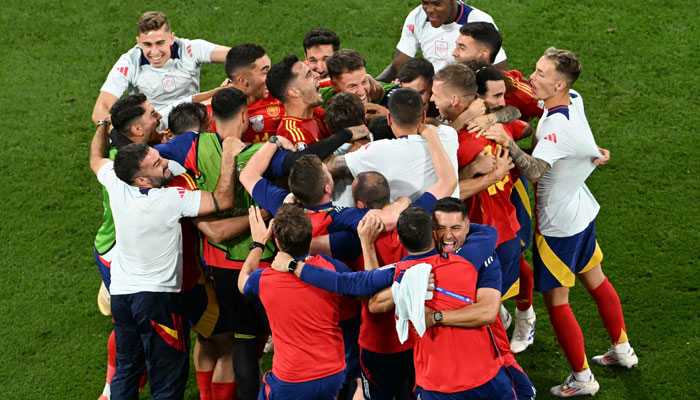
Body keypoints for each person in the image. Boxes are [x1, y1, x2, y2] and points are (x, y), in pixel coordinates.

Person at [483, 47, 635, 397]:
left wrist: (508, 142)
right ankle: (622, 350)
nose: (532, 78)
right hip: (581, 209)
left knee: (557, 302)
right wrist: (594, 152)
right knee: (596, 279)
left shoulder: (553, 129)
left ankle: (582, 379)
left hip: (557, 225)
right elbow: (575, 138)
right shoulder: (573, 100)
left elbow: (535, 171)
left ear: (559, 83)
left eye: (540, 73)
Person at [88, 112, 243, 399]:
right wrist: (229, 157)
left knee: (127, 370)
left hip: (122, 297)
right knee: (167, 379)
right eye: (156, 164)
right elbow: (223, 200)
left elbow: (96, 160)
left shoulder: (116, 180)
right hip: (157, 302)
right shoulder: (167, 200)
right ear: (143, 180)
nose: (165, 163)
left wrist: (101, 125)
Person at [430, 63, 523, 312]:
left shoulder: (454, 146)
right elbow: (521, 122)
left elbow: (436, 190)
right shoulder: (501, 128)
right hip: (508, 231)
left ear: (455, 99)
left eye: (435, 95)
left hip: (472, 238)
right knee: (493, 304)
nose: (430, 99)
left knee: (470, 308)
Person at [238, 205, 352, 399]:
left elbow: (242, 281)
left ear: (277, 242)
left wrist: (258, 243)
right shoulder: (332, 267)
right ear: (310, 237)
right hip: (333, 375)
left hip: (291, 380)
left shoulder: (263, 279)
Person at [471, 62, 537, 353]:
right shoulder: (455, 135)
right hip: (473, 224)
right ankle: (500, 317)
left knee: (518, 265)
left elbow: (522, 117)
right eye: (495, 97)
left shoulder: (501, 123)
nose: (502, 102)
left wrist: (499, 124)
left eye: (502, 95)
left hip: (504, 216)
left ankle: (525, 317)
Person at [92, 11, 230, 128]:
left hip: (194, 118)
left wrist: (234, 76)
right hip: (155, 128)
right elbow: (100, 108)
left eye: (160, 43)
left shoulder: (190, 49)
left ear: (171, 38)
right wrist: (114, 131)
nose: (155, 52)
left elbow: (237, 56)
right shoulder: (128, 63)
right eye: (147, 44)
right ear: (138, 42)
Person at [326, 88, 460, 202]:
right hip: (453, 223)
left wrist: (355, 143)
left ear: (389, 119)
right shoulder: (447, 135)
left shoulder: (379, 150)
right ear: (423, 117)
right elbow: (436, 125)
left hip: (413, 227)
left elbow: (330, 167)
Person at [377, 0, 507, 82]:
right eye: (425, 3)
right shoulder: (416, 17)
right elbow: (398, 66)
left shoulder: (479, 21)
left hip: (466, 95)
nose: (429, 10)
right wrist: (371, 83)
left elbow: (499, 73)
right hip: (433, 94)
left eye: (437, 4)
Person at [452, 22, 543, 122]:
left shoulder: (510, 87)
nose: (454, 53)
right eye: (456, 46)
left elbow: (550, 110)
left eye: (462, 48)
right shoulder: (448, 80)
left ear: (484, 54)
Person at [266, 55, 332, 150]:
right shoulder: (293, 136)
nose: (317, 75)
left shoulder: (316, 114)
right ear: (294, 92)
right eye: (308, 75)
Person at [224, 43, 284, 143]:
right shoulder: (218, 113)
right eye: (265, 72)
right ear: (243, 81)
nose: (272, 76)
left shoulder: (283, 97)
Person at [321, 49, 396, 108]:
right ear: (335, 86)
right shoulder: (320, 99)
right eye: (352, 86)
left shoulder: (391, 97)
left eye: (364, 82)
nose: (362, 91)